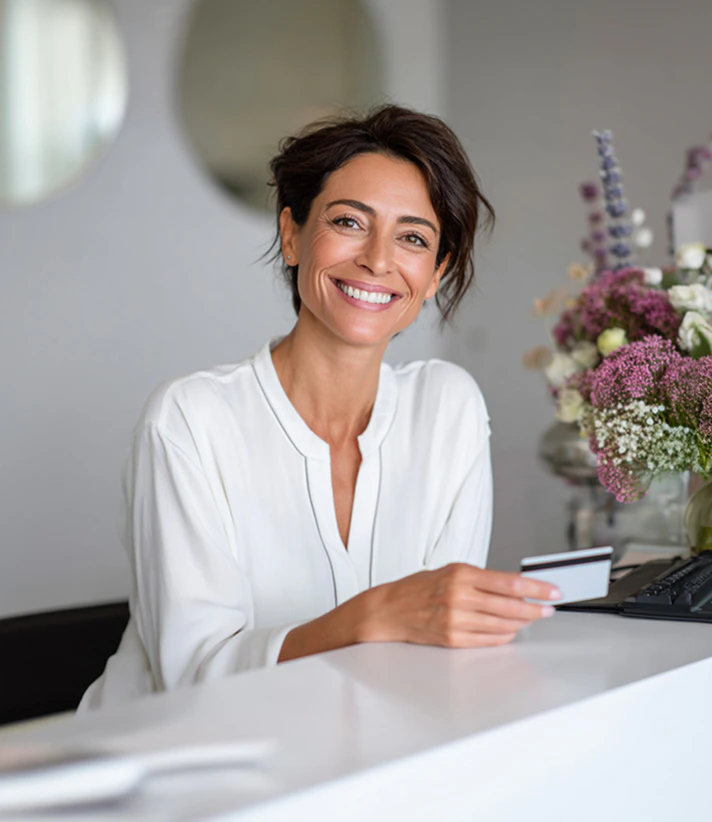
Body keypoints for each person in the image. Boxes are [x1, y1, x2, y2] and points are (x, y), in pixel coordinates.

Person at [80, 106, 559, 710]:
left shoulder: (448, 408)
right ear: (291, 235)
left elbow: (438, 648)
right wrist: (373, 617)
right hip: (177, 770)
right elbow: (192, 678)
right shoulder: (189, 419)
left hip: (351, 757)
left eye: (413, 237)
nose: (379, 259)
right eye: (350, 222)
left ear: (436, 273)